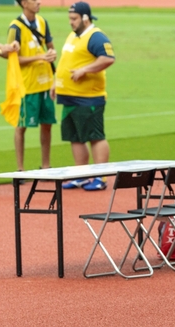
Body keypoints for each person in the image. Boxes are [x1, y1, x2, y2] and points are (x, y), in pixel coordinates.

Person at [53, 2, 115, 191]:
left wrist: (84, 70)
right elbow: (66, 61)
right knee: (75, 137)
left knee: (95, 136)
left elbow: (108, 58)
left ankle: (101, 177)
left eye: (74, 19)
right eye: (70, 19)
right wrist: (56, 82)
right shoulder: (73, 36)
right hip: (69, 97)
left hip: (88, 97)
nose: (71, 22)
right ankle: (81, 175)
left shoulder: (95, 36)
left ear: (85, 18)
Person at [7, 0, 56, 172]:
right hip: (27, 85)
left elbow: (50, 46)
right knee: (21, 126)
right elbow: (13, 58)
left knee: (47, 124)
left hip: (46, 82)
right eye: (34, 0)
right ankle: (20, 169)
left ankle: (46, 166)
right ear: (24, 3)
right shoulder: (15, 27)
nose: (38, 2)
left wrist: (52, 53)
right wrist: (40, 57)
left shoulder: (42, 22)